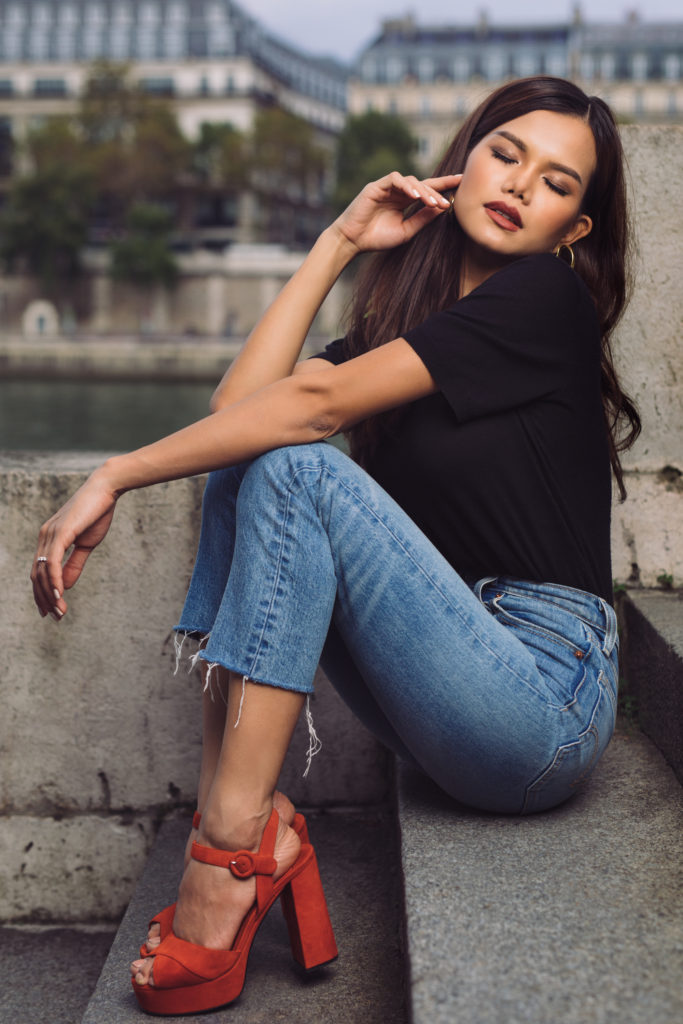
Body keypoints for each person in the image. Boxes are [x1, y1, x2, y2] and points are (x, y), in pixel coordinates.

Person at [31, 76, 640, 1015]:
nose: (519, 183)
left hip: (542, 701)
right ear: (464, 157)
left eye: (558, 183)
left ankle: (230, 851)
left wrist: (114, 472)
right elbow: (241, 410)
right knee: (257, 451)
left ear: (574, 230)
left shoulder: (546, 302)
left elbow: (306, 413)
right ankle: (236, 829)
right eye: (506, 152)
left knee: (297, 459)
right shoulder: (403, 333)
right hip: (451, 669)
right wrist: (339, 240)